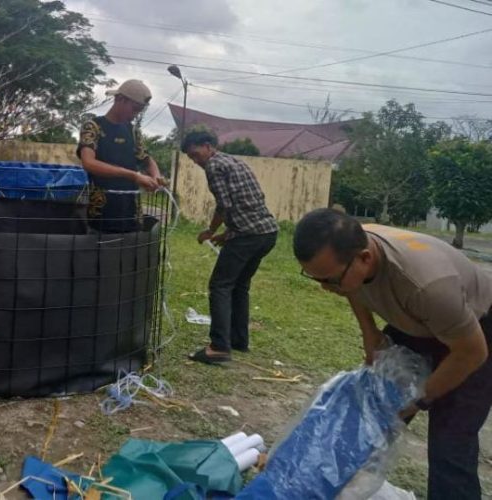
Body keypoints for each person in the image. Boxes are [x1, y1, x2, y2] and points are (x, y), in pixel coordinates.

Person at [293, 208, 492, 500]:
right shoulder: (355, 248)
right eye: (317, 279)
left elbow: (472, 352)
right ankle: (330, 487)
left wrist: (419, 399)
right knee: (371, 412)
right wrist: (369, 332)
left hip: (477, 332)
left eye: (330, 281)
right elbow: (352, 288)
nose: (325, 288)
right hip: (418, 320)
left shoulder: (427, 287)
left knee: (450, 443)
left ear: (365, 258)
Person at [182, 127, 278, 364]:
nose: (196, 161)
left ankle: (219, 348)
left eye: (196, 154)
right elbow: (248, 203)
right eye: (191, 158)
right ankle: (238, 340)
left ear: (208, 146)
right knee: (239, 286)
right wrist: (227, 235)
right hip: (267, 232)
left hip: (247, 235)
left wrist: (211, 231)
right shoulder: (235, 162)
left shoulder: (214, 166)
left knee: (220, 286)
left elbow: (224, 206)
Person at [76, 79, 165, 232]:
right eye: (134, 109)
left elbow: (147, 160)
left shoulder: (132, 131)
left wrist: (156, 177)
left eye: (139, 111)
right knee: (100, 252)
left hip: (131, 211)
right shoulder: (93, 127)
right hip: (102, 211)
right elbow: (89, 163)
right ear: (120, 99)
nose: (135, 115)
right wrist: (133, 176)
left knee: (130, 252)